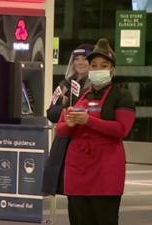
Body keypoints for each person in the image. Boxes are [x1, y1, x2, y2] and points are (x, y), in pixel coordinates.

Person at [56, 38, 136, 225]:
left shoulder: (121, 95)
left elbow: (121, 130)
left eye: (104, 65)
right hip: (77, 175)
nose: (98, 69)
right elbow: (61, 131)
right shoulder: (79, 95)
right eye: (94, 65)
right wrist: (69, 122)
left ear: (112, 70)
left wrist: (88, 121)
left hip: (105, 175)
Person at [42, 43, 93, 196]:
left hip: (85, 141)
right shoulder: (64, 85)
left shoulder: (96, 86)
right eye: (77, 59)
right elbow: (51, 112)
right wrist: (66, 108)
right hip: (64, 140)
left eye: (85, 58)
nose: (80, 62)